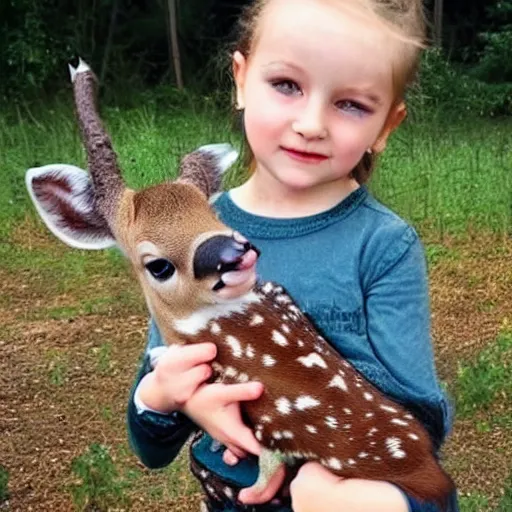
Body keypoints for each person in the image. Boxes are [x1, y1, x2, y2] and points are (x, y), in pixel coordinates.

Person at [127, 0, 459, 510]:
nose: (310, 123)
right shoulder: (185, 233)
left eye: (351, 104)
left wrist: (334, 488)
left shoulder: (383, 245)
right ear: (241, 79)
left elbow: (418, 423)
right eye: (287, 85)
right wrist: (172, 397)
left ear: (387, 126)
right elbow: (151, 439)